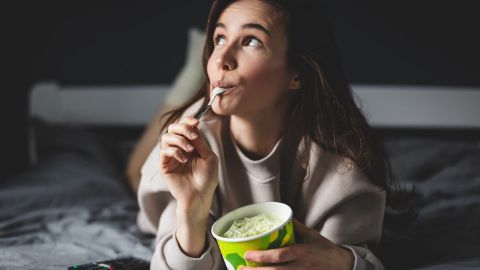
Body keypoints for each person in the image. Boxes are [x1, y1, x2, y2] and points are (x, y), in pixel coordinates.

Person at [137, 0, 390, 269]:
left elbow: (358, 262)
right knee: (132, 171)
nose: (221, 59)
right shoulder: (192, 143)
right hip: (156, 193)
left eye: (252, 42)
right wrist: (191, 210)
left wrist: (341, 261)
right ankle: (189, 76)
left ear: (296, 73)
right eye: (219, 38)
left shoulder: (342, 170)